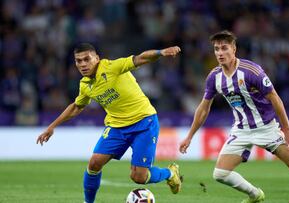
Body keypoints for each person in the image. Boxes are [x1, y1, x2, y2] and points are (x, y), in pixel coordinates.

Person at [179, 30, 289, 203]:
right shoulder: (214, 77)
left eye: (224, 48)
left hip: (267, 128)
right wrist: (189, 136)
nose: (220, 53)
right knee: (220, 174)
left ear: (234, 49)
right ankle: (255, 195)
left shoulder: (251, 71)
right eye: (216, 49)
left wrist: (286, 128)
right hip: (241, 131)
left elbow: (275, 98)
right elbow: (203, 108)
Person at [36, 43, 182, 203]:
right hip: (116, 127)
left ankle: (170, 173)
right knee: (94, 163)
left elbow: (140, 58)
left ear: (96, 59)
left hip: (144, 122)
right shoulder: (85, 85)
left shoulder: (111, 67)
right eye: (78, 61)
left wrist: (161, 52)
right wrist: (51, 127)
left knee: (139, 177)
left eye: (87, 59)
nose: (83, 64)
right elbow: (77, 106)